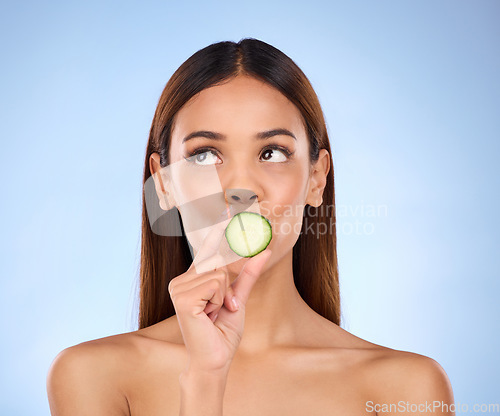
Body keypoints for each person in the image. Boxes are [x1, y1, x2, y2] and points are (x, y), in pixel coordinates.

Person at [47, 38, 455, 416]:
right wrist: (206, 378)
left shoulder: (408, 387)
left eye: (272, 152)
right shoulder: (92, 376)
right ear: (164, 184)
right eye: (205, 155)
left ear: (317, 178)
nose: (240, 189)